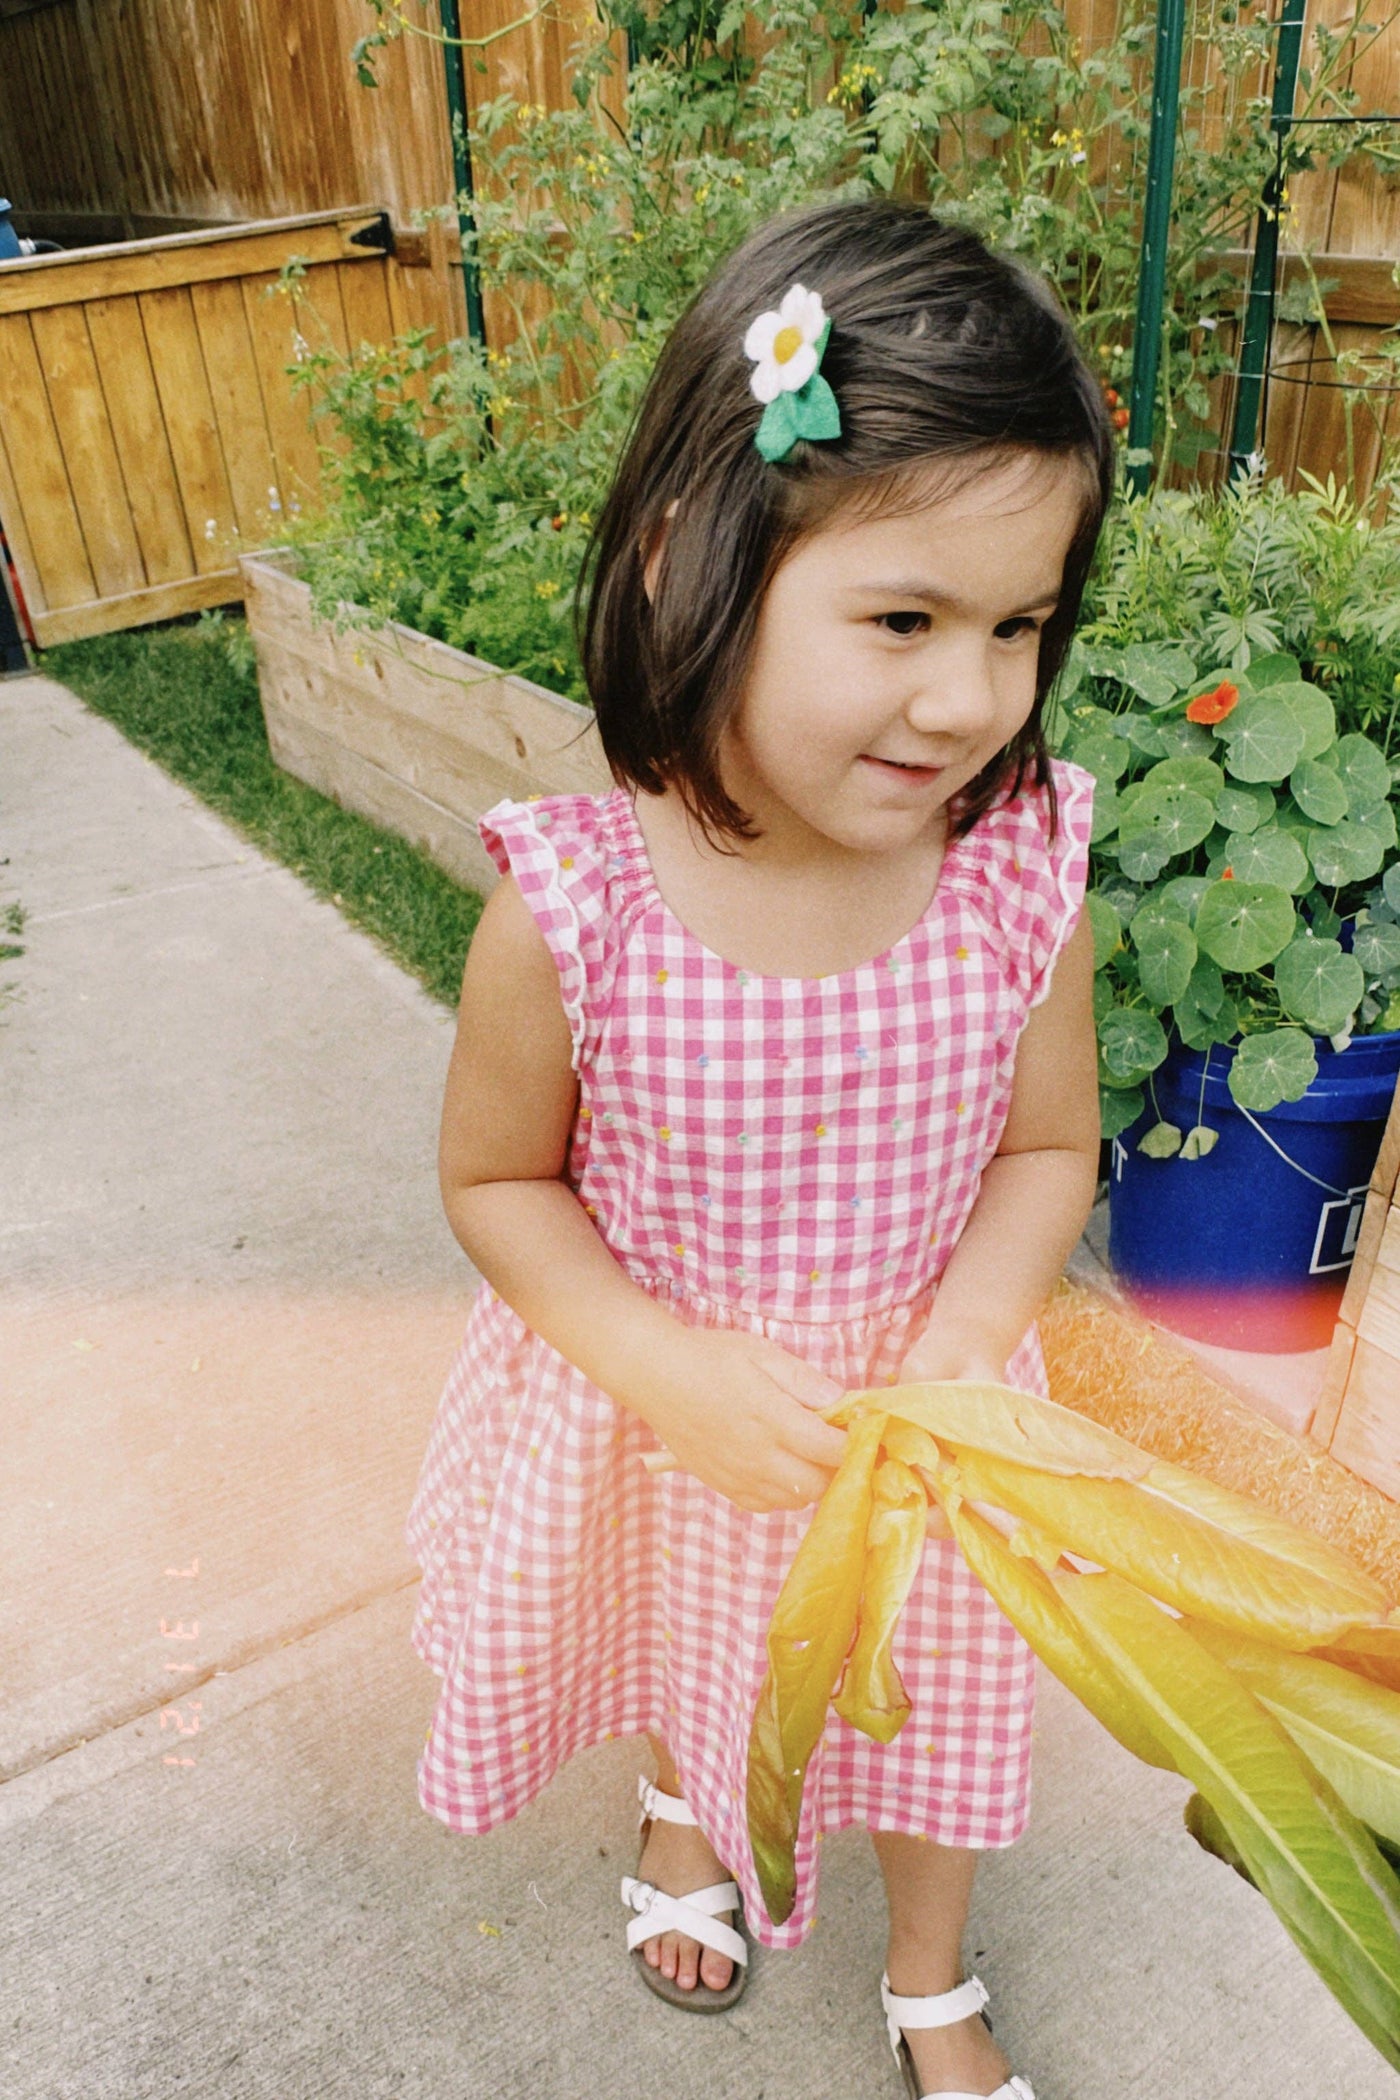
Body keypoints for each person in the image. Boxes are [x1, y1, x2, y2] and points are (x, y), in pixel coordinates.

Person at [406, 195, 1111, 2100]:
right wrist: (663, 1364)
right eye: (901, 618)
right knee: (689, 1646)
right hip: (675, 1413)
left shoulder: (1016, 874)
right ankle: (685, 1814)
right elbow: (496, 1184)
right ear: (685, 562)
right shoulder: (579, 904)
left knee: (939, 1709)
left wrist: (969, 1342)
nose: (968, 698)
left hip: (927, 1422)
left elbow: (1054, 1149)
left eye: (1017, 626)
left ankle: (933, 1973)